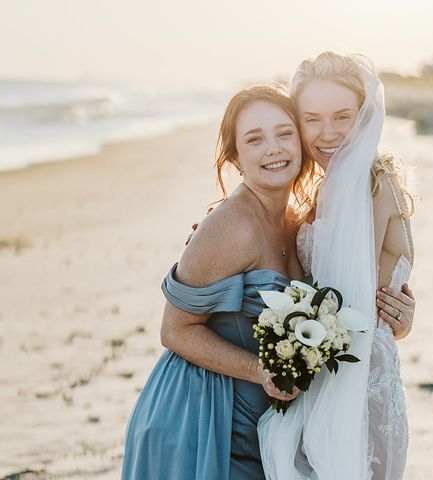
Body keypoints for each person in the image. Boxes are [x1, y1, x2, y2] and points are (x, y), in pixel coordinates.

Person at [121, 84, 316, 480]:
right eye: (255, 139)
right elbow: (174, 330)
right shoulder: (231, 226)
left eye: (284, 133)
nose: (274, 148)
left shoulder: (299, 223)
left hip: (261, 425)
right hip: (200, 419)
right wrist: (261, 371)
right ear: (236, 158)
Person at [258, 52, 416, 480]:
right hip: (358, 369)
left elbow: (347, 301)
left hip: (354, 381)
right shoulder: (357, 179)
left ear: (364, 115)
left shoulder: (363, 183)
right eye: (312, 119)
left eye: (342, 116)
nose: (328, 134)